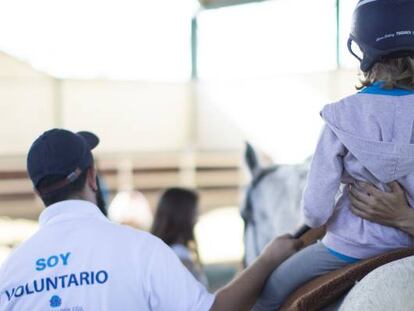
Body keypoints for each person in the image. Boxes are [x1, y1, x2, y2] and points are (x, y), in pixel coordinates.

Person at [0, 128, 301, 310]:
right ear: (91, 177)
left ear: (38, 189)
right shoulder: (139, 250)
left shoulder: (10, 271)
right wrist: (267, 260)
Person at [253, 1, 414, 310]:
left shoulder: (341, 117)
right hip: (408, 241)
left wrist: (317, 220)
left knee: (271, 290)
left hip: (347, 247)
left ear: (364, 50)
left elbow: (315, 208)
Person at [151, 187, 208, 286]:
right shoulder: (179, 258)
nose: (197, 219)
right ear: (183, 216)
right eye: (195, 213)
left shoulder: (159, 252)